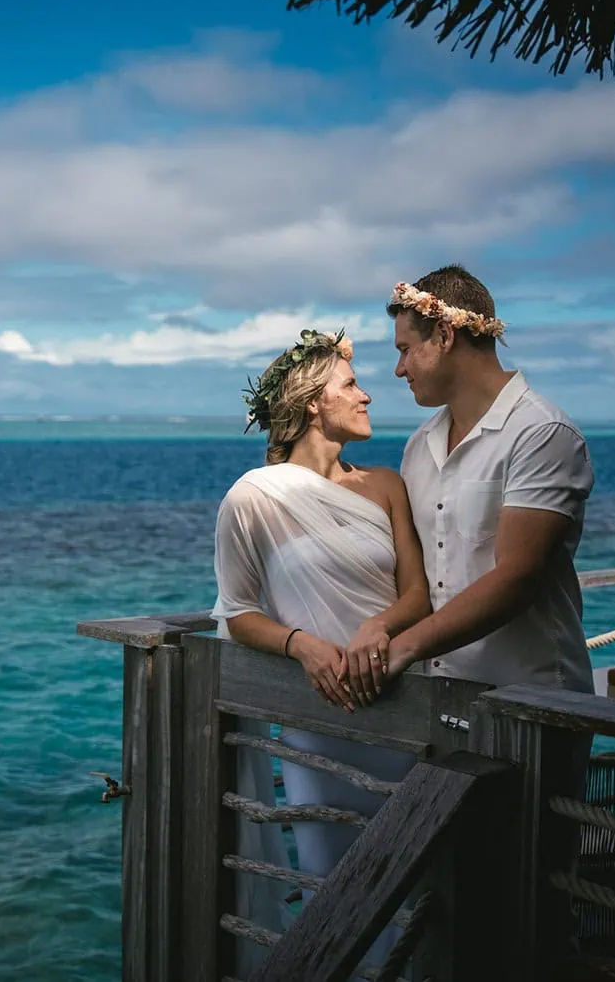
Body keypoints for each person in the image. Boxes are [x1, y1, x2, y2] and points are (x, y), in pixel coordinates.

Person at [341, 266, 595, 821]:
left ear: (444, 335)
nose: (398, 369)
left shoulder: (542, 433)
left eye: (405, 350)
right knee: (449, 867)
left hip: (531, 704)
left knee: (531, 869)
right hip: (440, 706)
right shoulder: (419, 445)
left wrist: (403, 648)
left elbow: (517, 577)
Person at [211, 328, 431, 968]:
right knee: (333, 886)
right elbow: (237, 612)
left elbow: (418, 595)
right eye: (351, 385)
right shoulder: (254, 497)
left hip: (403, 706)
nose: (367, 396)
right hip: (320, 719)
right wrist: (302, 646)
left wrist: (379, 627)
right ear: (313, 403)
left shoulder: (386, 485)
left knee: (416, 881)